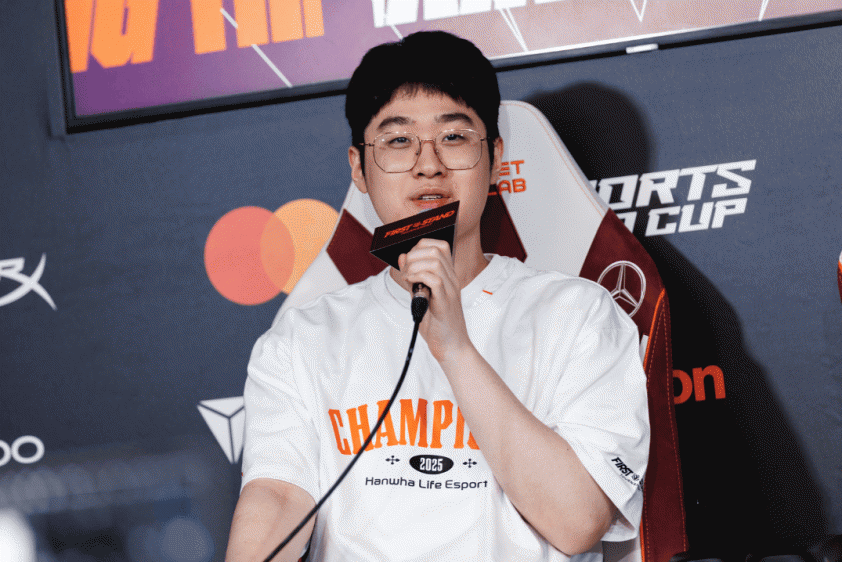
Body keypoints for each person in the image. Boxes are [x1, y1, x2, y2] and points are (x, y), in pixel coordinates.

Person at [226, 31, 649, 562]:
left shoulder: (578, 316)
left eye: (453, 137)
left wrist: (455, 348)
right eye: (398, 141)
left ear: (495, 158)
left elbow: (578, 521)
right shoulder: (304, 336)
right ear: (359, 167)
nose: (428, 164)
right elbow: (278, 494)